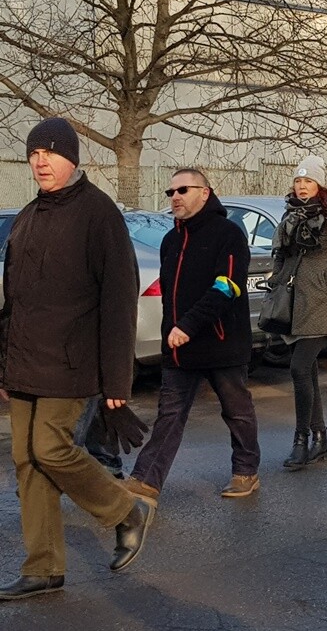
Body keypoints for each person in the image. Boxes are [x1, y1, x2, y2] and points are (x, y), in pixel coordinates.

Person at [0, 117, 152, 600]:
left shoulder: (98, 213)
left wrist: (117, 382)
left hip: (71, 361)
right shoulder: (28, 215)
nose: (40, 161)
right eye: (33, 153)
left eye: (50, 152)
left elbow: (120, 300)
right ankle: (43, 567)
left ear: (72, 157)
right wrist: (3, 365)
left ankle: (126, 511)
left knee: (50, 448)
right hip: (25, 361)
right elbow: (13, 301)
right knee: (27, 460)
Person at [126, 168, 262, 502]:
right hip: (179, 349)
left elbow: (227, 286)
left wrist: (188, 325)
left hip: (221, 342)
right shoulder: (170, 240)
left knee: (237, 411)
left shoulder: (228, 234)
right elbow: (170, 296)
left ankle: (246, 471)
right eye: (171, 192)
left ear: (204, 193)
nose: (175, 197)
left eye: (183, 190)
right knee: (169, 416)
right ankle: (146, 480)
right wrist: (170, 334)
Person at [270, 157, 327, 469]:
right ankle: (320, 439)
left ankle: (301, 440)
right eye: (298, 181)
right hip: (294, 305)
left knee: (298, 369)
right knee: (307, 372)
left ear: (319, 185)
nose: (302, 186)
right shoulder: (289, 216)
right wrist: (277, 279)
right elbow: (280, 254)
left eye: (308, 181)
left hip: (322, 304)